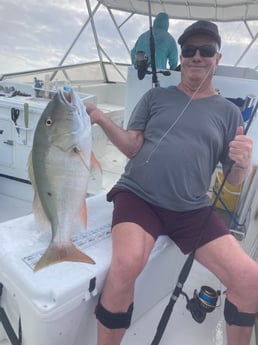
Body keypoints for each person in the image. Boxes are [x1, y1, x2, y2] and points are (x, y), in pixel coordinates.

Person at [85, 20, 258, 345]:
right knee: (127, 262)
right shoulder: (155, 97)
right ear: (181, 57)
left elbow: (232, 180)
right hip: (139, 197)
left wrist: (242, 164)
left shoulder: (229, 114)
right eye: (189, 50)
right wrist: (103, 119)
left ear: (217, 58)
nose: (197, 56)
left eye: (206, 50)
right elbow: (133, 147)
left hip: (192, 210)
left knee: (250, 280)